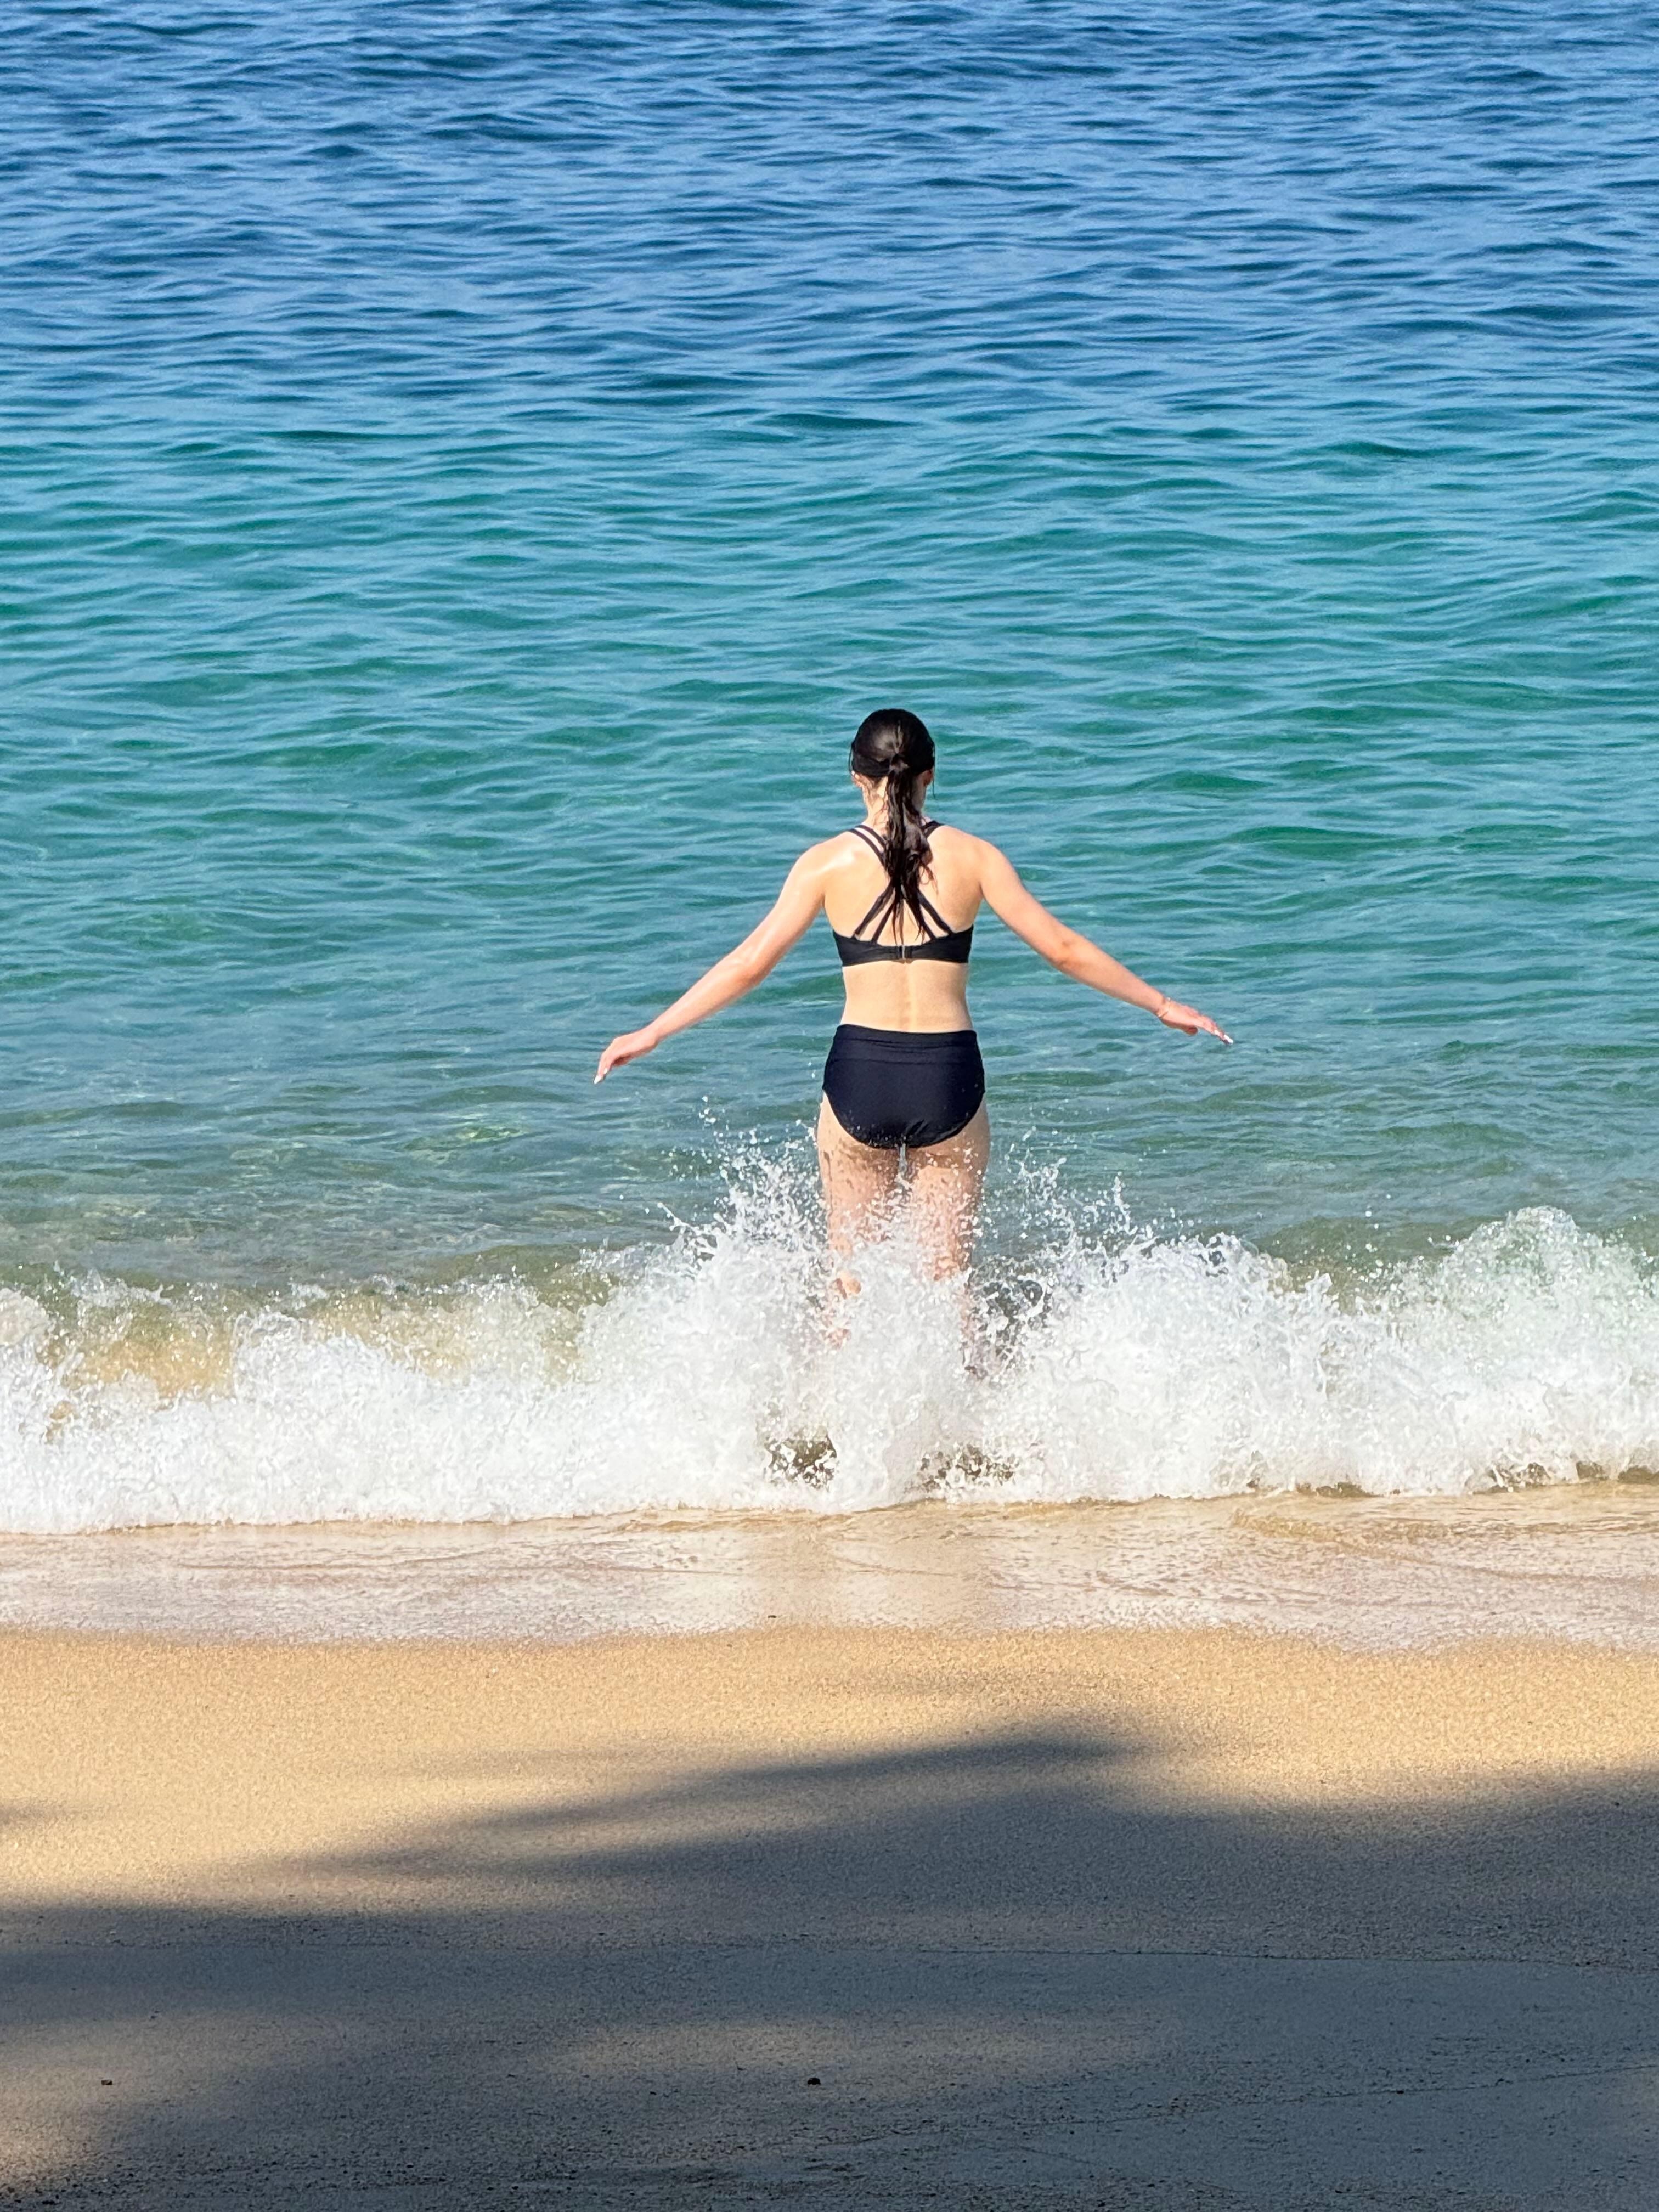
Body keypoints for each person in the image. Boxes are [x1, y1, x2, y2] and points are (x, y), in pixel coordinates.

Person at [595, 709, 1229, 1286]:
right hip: (947, 1075)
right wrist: (1161, 1003)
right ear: (931, 775)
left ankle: (832, 1414)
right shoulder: (976, 857)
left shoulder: (825, 863)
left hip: (860, 1075)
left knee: (848, 1286)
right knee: (946, 1285)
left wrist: (653, 1031)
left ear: (855, 776)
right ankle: (962, 1411)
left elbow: (750, 964)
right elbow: (1063, 950)